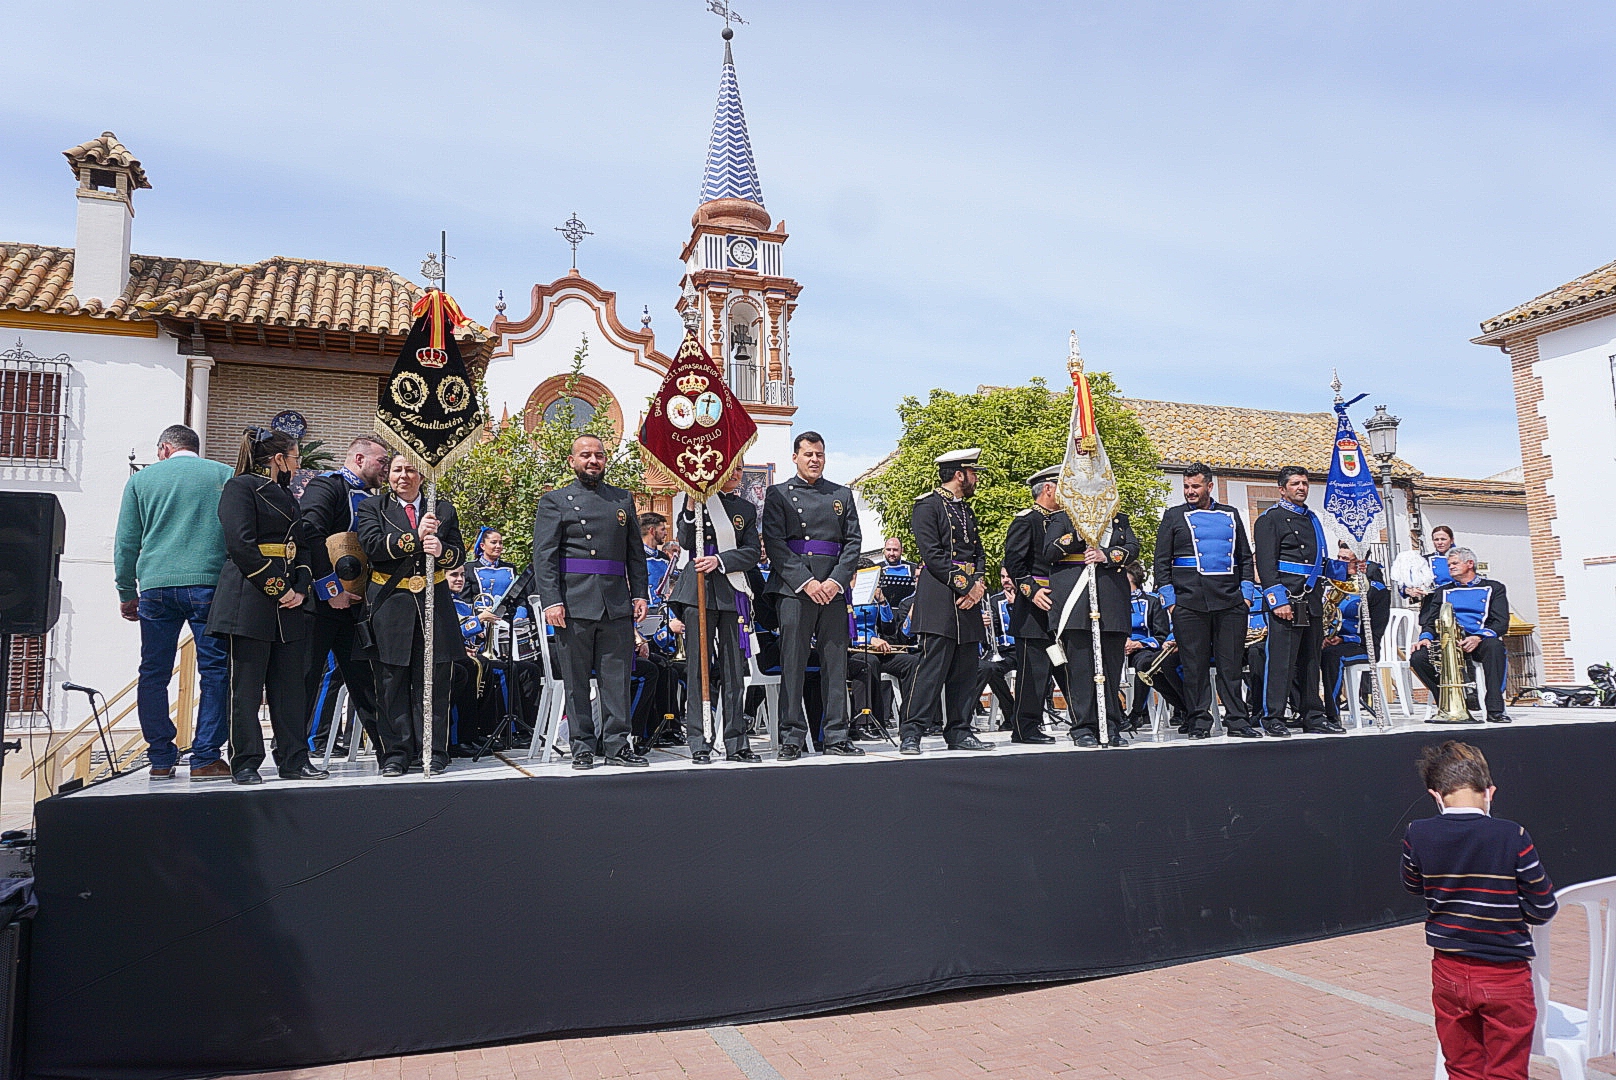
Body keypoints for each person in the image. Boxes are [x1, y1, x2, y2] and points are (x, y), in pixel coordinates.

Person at [1402, 741, 1556, 1080]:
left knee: (1461, 1067)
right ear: (1490, 792)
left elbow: (1414, 885)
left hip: (1448, 970)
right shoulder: (1512, 835)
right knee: (1507, 1070)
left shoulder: (1417, 833)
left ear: (1436, 795)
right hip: (1505, 974)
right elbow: (1544, 906)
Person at [205, 427, 327, 785]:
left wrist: (300, 588)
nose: (298, 463)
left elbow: (300, 547)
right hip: (250, 599)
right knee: (245, 689)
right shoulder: (239, 488)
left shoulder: (288, 496)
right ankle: (245, 761)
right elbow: (240, 546)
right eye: (295, 456)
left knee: (291, 688)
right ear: (278, 459)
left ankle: (293, 758)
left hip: (289, 603)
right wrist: (279, 588)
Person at [114, 424, 234, 780]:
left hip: (155, 587)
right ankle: (206, 758)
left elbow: (126, 542)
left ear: (165, 448)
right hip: (209, 585)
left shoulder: (141, 481)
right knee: (214, 671)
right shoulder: (223, 474)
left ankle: (161, 758)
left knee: (153, 672)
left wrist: (125, 592)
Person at [532, 434, 650, 769]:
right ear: (572, 460)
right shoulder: (555, 501)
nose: (593, 460)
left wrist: (639, 593)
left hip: (615, 602)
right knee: (577, 680)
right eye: (585, 455)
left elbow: (635, 554)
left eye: (598, 455)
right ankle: (582, 745)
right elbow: (545, 557)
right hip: (573, 602)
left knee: (617, 680)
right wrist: (552, 600)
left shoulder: (622, 500)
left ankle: (617, 744)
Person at [357, 454, 467, 776]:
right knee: (391, 681)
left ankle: (433, 750)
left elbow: (458, 551)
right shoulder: (372, 508)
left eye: (410, 470)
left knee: (433, 681)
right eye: (396, 470)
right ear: (388, 475)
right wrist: (414, 538)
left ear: (422, 475)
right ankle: (396, 753)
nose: (403, 476)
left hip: (434, 602)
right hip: (391, 603)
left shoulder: (442, 509)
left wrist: (441, 551)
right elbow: (372, 545)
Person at [761, 431, 862, 759]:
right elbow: (774, 543)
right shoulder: (778, 495)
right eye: (808, 454)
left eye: (819, 454)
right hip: (795, 589)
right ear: (795, 457)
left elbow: (853, 543)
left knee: (836, 664)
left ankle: (836, 735)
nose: (814, 460)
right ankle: (792, 736)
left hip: (832, 589)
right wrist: (806, 582)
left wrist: (835, 581)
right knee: (793, 663)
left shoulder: (841, 495)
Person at [1152, 462, 1260, 739]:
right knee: (1194, 667)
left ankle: (1238, 720)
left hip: (1230, 601)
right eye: (1186, 486)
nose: (1189, 491)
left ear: (1209, 486)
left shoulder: (1231, 514)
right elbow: (1161, 563)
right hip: (1189, 602)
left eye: (1195, 486)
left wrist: (1246, 596)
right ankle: (1200, 721)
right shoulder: (1173, 516)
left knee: (1231, 666)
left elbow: (1244, 558)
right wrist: (1171, 602)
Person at [898, 448, 995, 755]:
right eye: (973, 473)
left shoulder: (966, 509)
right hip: (940, 594)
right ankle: (911, 732)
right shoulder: (927, 506)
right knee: (931, 669)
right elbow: (933, 555)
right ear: (959, 474)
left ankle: (960, 730)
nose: (976, 478)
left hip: (969, 597)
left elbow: (978, 553)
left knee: (967, 669)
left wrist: (977, 584)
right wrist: (966, 585)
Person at [299, 434, 389, 759]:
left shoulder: (376, 499)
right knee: (307, 677)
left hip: (357, 608)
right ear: (360, 459)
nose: (386, 468)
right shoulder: (328, 487)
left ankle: (388, 752)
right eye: (382, 461)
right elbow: (309, 531)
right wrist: (330, 588)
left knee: (366, 680)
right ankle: (294, 754)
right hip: (321, 604)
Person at [665, 466, 762, 763]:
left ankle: (736, 741)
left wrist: (720, 560)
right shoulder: (696, 502)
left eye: (741, 469)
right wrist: (693, 501)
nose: (737, 473)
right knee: (699, 670)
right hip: (697, 592)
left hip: (731, 591)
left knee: (734, 671)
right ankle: (700, 740)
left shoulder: (744, 508)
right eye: (732, 468)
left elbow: (752, 552)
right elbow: (683, 537)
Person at [1253, 466, 1354, 737]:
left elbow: (1317, 563)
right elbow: (1266, 565)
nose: (1301, 488)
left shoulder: (1312, 520)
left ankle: (1313, 715)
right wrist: (1277, 600)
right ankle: (1273, 716)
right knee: (1281, 662)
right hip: (1286, 600)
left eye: (1305, 483)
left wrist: (1347, 570)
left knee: (1311, 661)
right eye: (1295, 483)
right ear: (1282, 489)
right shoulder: (1269, 519)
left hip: (1311, 599)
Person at [1046, 503, 1139, 748]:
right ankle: (1082, 726)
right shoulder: (1062, 519)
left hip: (1111, 601)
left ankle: (1110, 723)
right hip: (1075, 603)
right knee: (1080, 669)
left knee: (1110, 668)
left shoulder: (1118, 519)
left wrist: (1106, 555)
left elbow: (1133, 548)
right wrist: (1079, 536)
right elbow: (1049, 551)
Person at [1409, 547, 1513, 724]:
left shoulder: (1494, 588)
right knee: (1418, 658)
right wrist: (1425, 638)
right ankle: (1448, 702)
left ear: (1470, 564)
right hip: (1448, 642)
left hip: (1478, 641)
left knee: (1495, 647)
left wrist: (1478, 637)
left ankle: (1495, 708)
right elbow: (1431, 621)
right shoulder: (1442, 591)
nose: (1450, 567)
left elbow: (1501, 622)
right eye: (1449, 564)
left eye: (1455, 563)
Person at [1000, 465, 1064, 745]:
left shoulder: (1061, 520)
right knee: (1034, 672)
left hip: (1060, 606)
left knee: (1063, 666)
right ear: (1048, 488)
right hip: (1033, 609)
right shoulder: (1027, 520)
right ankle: (1025, 727)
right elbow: (1014, 563)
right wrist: (1032, 591)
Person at [1319, 541, 1391, 728]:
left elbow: (1375, 632)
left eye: (1346, 559)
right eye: (1339, 558)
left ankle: (1332, 714)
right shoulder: (1329, 585)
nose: (1340, 562)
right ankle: (1305, 710)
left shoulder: (1376, 591)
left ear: (1361, 563)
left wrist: (1343, 638)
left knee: (1331, 657)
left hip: (1362, 646)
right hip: (1330, 640)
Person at [1122, 564, 1186, 733]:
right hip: (1116, 649)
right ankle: (1113, 714)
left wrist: (1138, 644)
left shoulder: (1151, 601)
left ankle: (1137, 714)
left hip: (1141, 649)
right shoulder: (1111, 602)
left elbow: (1161, 634)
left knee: (1148, 666)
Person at [974, 567, 1018, 725]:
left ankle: (1026, 715)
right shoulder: (994, 600)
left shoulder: (1027, 598)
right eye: (1002, 577)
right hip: (1004, 652)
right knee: (990, 669)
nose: (1005, 580)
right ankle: (1011, 713)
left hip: (1024, 649)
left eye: (1009, 576)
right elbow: (992, 631)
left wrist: (1015, 607)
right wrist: (983, 624)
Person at [1403, 524, 1457, 620]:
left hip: (1455, 603)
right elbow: (1408, 581)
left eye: (1443, 539)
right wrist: (1409, 590)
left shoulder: (1461, 560)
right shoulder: (1424, 560)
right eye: (1436, 540)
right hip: (1431, 604)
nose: (1439, 542)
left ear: (1451, 540)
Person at [875, 536, 918, 609]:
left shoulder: (914, 569)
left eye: (895, 550)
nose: (891, 553)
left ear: (902, 550)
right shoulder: (875, 569)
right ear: (884, 550)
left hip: (908, 612)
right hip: (882, 613)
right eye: (888, 549)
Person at [639, 514, 673, 600]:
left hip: (663, 608)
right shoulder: (635, 556)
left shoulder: (664, 557)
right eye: (662, 529)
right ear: (652, 531)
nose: (666, 533)